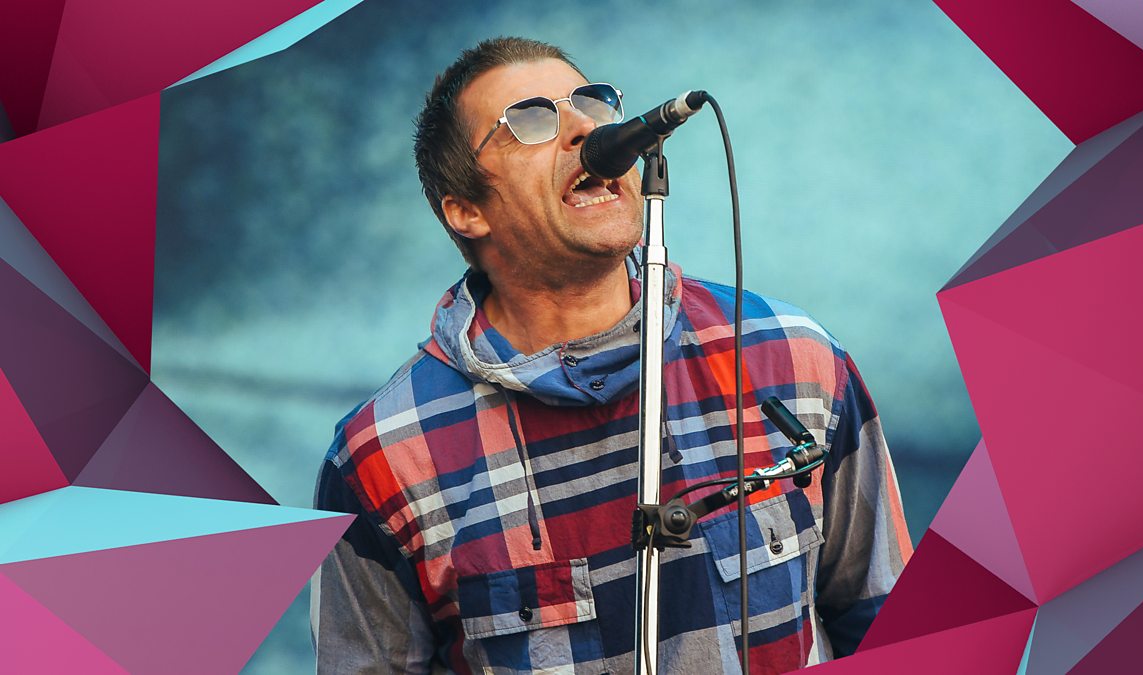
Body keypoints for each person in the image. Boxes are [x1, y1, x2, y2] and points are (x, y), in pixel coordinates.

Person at [311, 36, 911, 674]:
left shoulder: (792, 356)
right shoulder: (383, 458)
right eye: (531, 120)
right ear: (466, 211)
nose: (584, 129)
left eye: (592, 103)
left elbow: (894, 631)